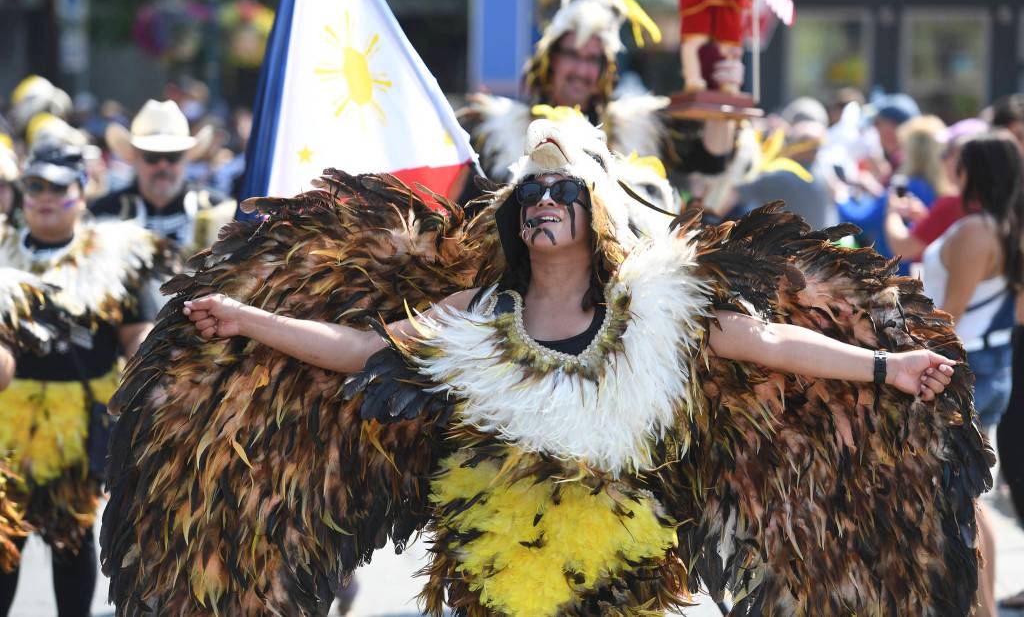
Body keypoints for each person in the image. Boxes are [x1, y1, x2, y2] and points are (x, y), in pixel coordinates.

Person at [102, 116, 987, 616]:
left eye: (564, 193)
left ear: (594, 211)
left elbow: (767, 344)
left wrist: (886, 370)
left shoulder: (657, 310)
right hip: (495, 562)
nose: (544, 205)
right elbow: (364, 353)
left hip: (621, 560)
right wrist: (251, 319)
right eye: (531, 195)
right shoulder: (477, 316)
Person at [0, 144, 167, 617]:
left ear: (81, 192)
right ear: (22, 193)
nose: (46, 196)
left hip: (78, 428)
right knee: (2, 544)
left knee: (70, 544)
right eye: (35, 186)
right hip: (5, 426)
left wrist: (155, 374)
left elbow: (138, 333)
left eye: (59, 186)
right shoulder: (2, 251)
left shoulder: (112, 255)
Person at [459, 0, 739, 201]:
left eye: (593, 59)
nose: (581, 70)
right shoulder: (496, 133)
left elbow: (712, 159)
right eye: (572, 54)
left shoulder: (639, 130)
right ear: (550, 59)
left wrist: (725, 92)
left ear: (605, 71)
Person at [920, 133, 1024, 617]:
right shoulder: (1008, 227)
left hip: (964, 371)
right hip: (994, 364)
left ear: (971, 172)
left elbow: (948, 316)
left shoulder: (976, 231)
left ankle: (981, 611)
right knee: (974, 500)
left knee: (963, 504)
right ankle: (985, 609)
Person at [89, 99, 236, 256]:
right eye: (152, 157)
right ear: (135, 159)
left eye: (173, 156)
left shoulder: (219, 211)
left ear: (186, 158)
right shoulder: (103, 213)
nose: (163, 166)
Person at [885, 118, 988, 264]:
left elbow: (903, 248)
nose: (941, 159)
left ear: (966, 160)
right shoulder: (997, 202)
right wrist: (924, 219)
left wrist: (892, 211)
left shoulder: (953, 204)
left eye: (948, 153)